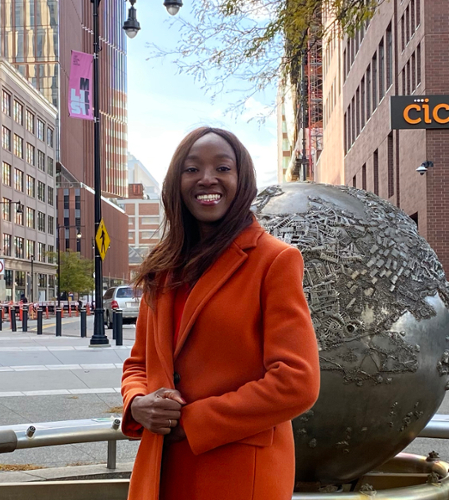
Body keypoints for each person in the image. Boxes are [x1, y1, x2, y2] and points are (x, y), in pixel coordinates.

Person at [121, 127, 320, 500]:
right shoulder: (162, 268)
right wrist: (137, 403)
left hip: (239, 473)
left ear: (241, 179)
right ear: (176, 182)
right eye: (192, 169)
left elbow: (297, 383)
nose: (207, 178)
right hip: (162, 469)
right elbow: (139, 365)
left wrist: (195, 422)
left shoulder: (274, 260)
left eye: (222, 168)